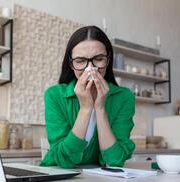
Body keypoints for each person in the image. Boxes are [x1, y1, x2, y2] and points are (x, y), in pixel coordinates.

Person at [40, 26, 135, 169]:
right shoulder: (54, 95)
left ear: (108, 60)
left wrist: (100, 108)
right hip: (58, 177)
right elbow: (64, 159)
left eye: (98, 59)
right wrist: (85, 108)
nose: (90, 68)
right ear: (71, 64)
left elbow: (115, 161)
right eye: (80, 61)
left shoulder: (124, 97)